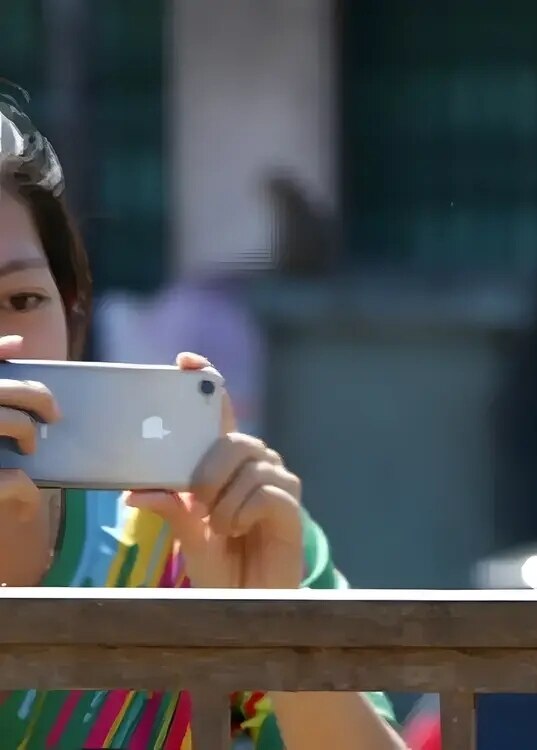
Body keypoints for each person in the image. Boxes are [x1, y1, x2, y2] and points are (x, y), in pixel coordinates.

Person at [0, 95, 406, 748]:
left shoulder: (199, 524)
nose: (7, 347)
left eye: (22, 300)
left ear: (73, 309)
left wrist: (276, 630)